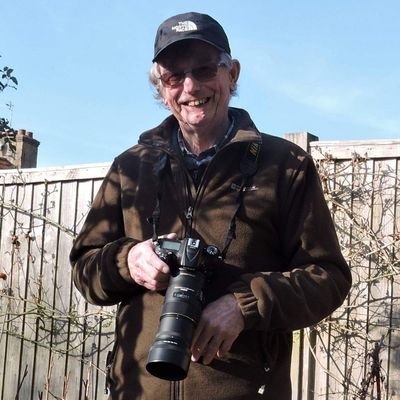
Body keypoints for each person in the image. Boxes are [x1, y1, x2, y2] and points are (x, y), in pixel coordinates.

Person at [70, 11, 352, 400]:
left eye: (204, 70)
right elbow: (85, 271)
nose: (190, 87)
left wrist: (243, 305)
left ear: (231, 74)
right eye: (174, 76)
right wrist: (128, 260)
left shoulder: (284, 165)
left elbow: (328, 277)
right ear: (161, 86)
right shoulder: (131, 167)